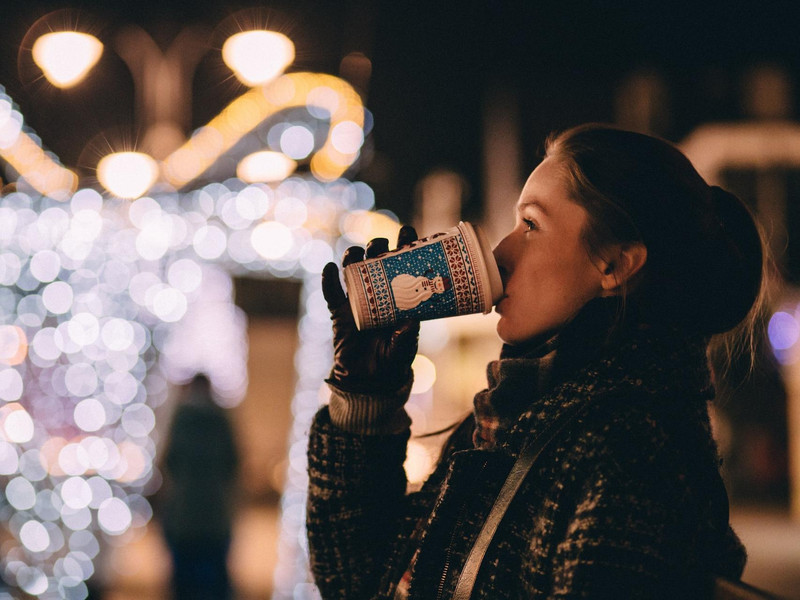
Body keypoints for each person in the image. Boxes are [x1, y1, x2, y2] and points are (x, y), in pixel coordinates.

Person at [306, 124, 768, 599]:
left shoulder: (631, 452)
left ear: (615, 264)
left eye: (531, 225)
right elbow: (357, 580)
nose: (501, 252)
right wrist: (366, 396)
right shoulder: (514, 417)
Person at [157, 373, 240, 600]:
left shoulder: (181, 419)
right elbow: (233, 463)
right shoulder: (220, 420)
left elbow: (168, 461)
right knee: (214, 582)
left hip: (184, 515)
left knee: (185, 582)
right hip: (215, 515)